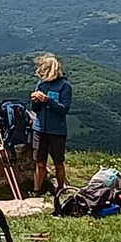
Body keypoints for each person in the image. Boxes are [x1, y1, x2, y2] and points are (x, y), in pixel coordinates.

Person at [28, 53, 73, 196]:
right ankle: (37, 190)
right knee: (40, 162)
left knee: (58, 162)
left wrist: (48, 101)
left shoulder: (65, 86)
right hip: (40, 128)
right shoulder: (41, 84)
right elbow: (35, 109)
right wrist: (34, 101)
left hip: (57, 131)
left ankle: (61, 189)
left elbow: (64, 109)